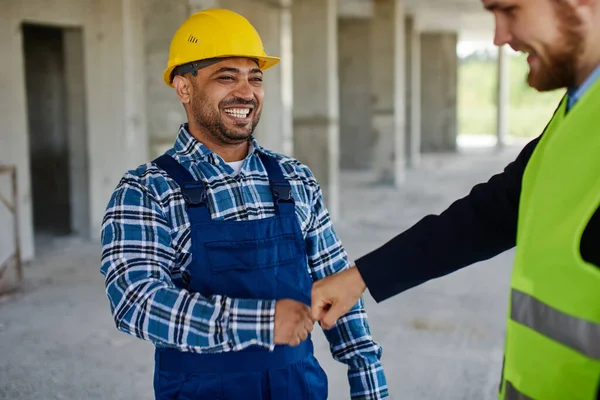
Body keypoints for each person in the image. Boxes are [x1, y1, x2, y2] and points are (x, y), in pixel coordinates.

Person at [311, 0, 600, 398]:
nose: (499, 37)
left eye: (510, 10)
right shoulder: (578, 110)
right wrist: (361, 277)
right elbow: (490, 214)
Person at [100, 8, 387, 400]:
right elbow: (136, 302)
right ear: (184, 88)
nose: (246, 92)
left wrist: (368, 380)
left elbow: (337, 285)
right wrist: (261, 322)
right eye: (226, 77)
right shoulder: (147, 190)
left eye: (255, 78)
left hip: (298, 386)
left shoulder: (295, 179)